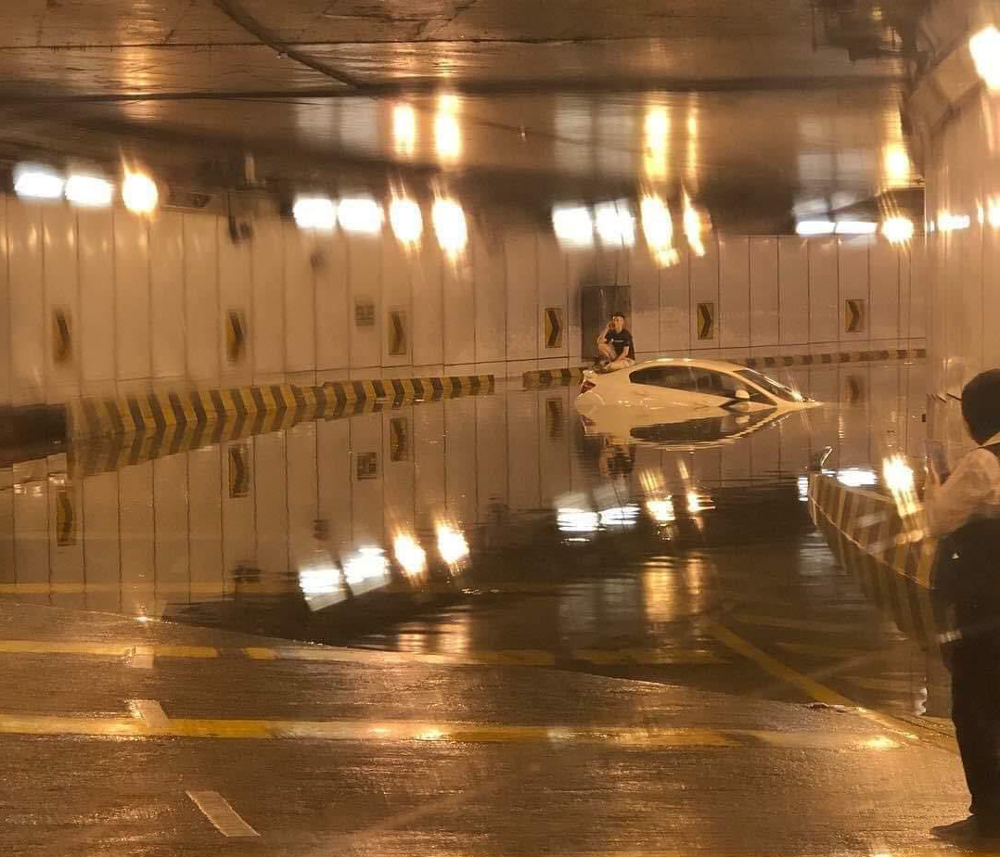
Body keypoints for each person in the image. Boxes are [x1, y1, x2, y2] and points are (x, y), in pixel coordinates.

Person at [926, 369, 1000, 843]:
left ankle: (990, 817)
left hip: (986, 608)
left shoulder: (981, 464)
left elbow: (939, 520)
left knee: (975, 707)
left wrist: (936, 480)